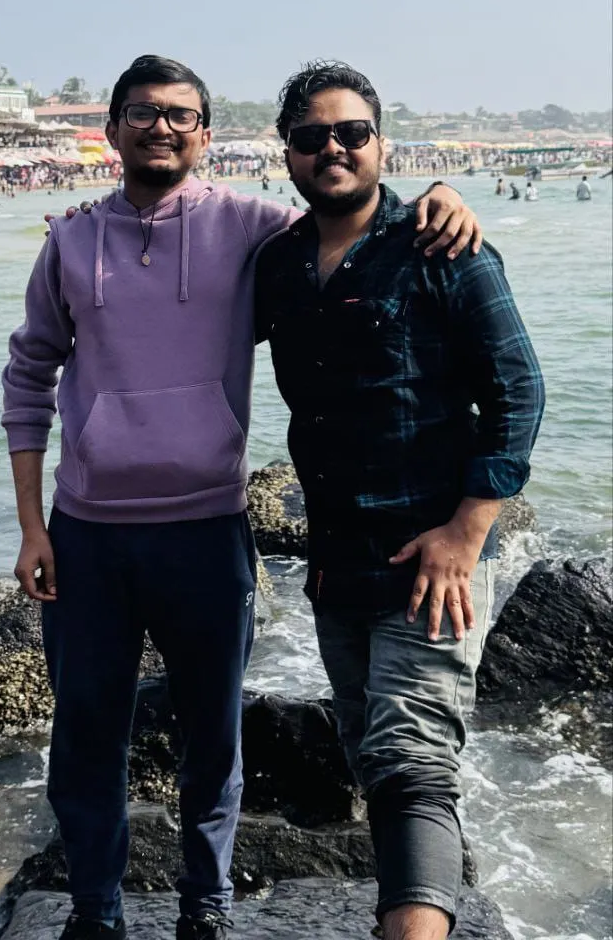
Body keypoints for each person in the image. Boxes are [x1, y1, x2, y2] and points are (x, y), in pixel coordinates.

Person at [6, 54, 482, 940]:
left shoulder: (255, 230)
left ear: (206, 135)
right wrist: (33, 526)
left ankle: (207, 908)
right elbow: (27, 376)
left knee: (212, 739)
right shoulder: (68, 242)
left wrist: (441, 194)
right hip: (88, 535)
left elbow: (353, 209)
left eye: (180, 114)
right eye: (142, 112)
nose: (161, 126)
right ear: (111, 131)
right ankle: (96, 913)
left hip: (208, 530)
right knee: (85, 737)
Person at [255, 61, 545, 940]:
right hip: (335, 562)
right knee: (372, 760)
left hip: (430, 560)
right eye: (312, 136)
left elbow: (519, 390)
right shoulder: (278, 265)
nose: (333, 149)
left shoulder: (442, 247)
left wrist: (466, 533)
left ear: (382, 145)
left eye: (351, 133)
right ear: (288, 154)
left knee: (411, 763)